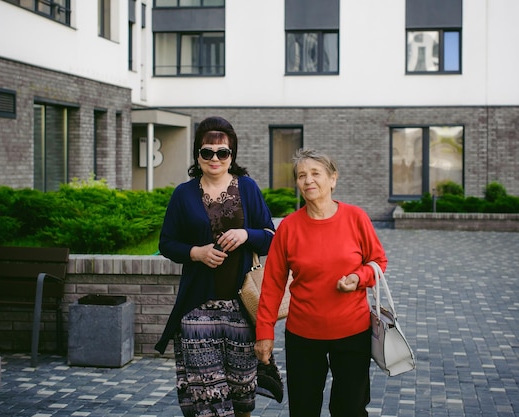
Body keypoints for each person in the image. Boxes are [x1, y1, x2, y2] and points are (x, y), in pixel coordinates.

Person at [155, 116, 275, 417]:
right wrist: (196, 252)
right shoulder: (183, 194)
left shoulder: (247, 188)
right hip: (197, 309)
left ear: (232, 155)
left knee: (242, 398)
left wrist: (247, 234)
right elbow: (167, 243)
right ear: (197, 155)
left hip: (242, 309)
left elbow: (271, 238)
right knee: (207, 400)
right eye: (207, 152)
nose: (215, 158)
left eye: (222, 152)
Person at [254, 148, 388, 417]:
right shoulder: (289, 228)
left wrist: (358, 278)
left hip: (352, 333)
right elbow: (272, 285)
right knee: (304, 409)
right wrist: (264, 333)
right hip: (303, 336)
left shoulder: (356, 218)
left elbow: (378, 263)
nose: (308, 180)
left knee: (350, 409)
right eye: (302, 175)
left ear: (333, 179)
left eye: (315, 173)